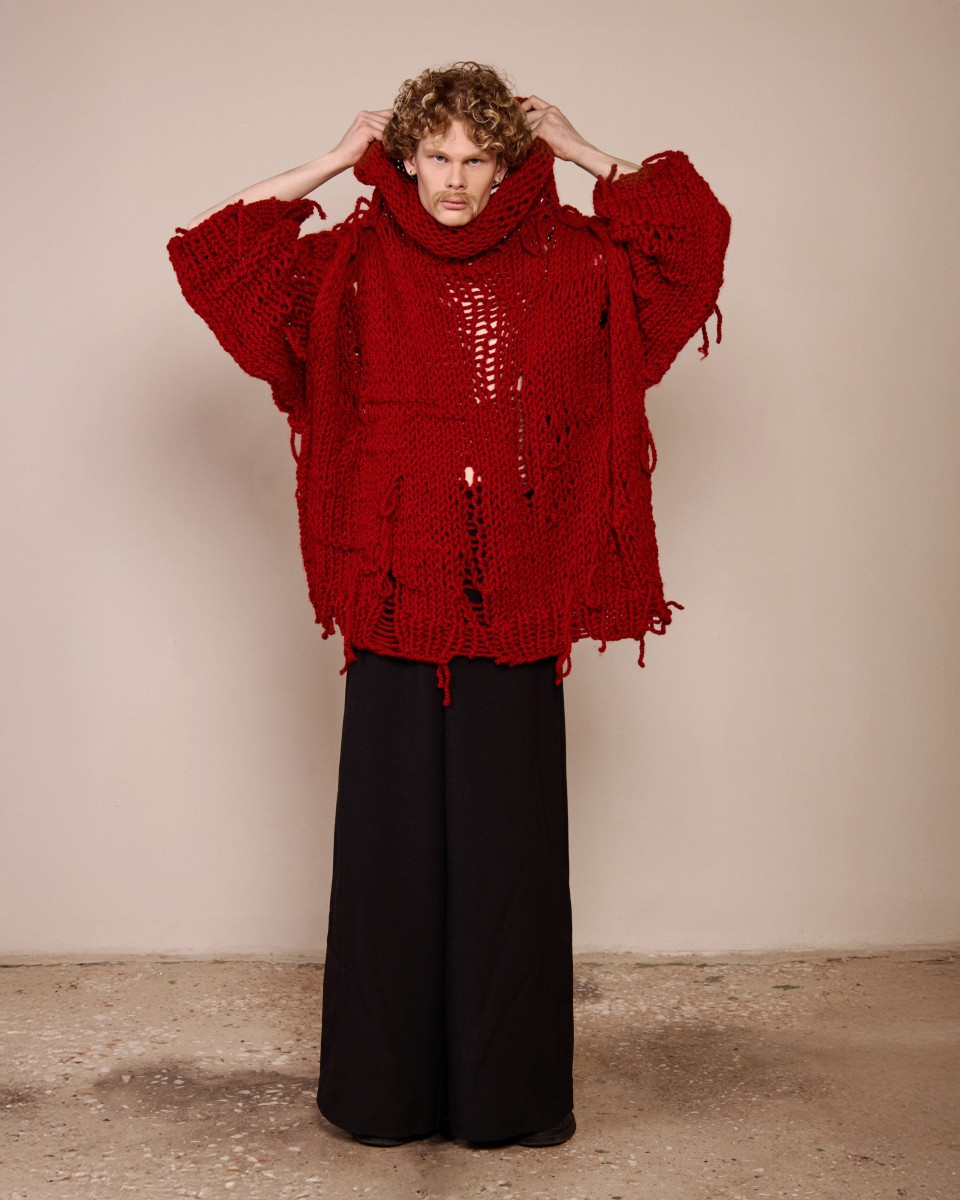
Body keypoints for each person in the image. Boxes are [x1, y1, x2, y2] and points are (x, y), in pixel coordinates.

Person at [167, 61, 731, 1149]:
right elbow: (214, 259)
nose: (457, 181)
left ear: (508, 163)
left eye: (479, 158)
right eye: (437, 156)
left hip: (515, 593)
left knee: (510, 858)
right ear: (409, 155)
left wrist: (583, 150)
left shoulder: (574, 257)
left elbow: (690, 244)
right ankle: (381, 1099)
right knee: (388, 852)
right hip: (394, 589)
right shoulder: (352, 262)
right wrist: (335, 159)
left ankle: (510, 1102)